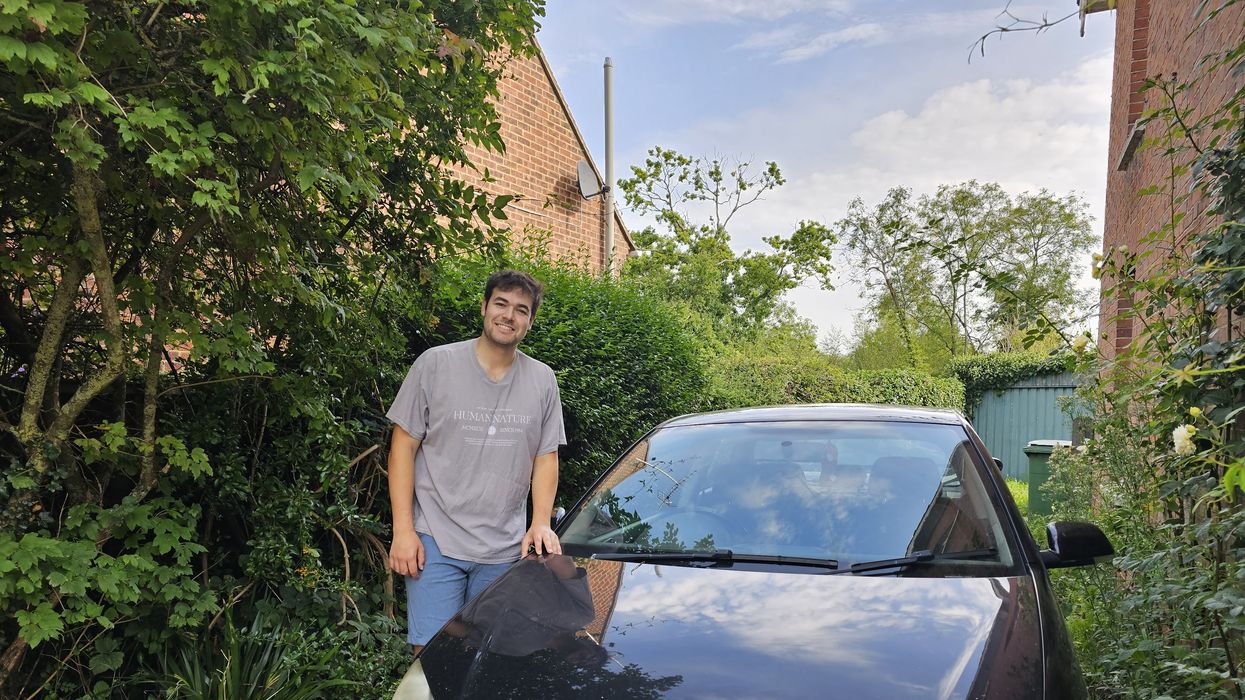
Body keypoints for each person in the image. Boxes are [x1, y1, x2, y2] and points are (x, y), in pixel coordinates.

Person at [386, 270, 566, 655]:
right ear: (484, 307)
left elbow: (545, 457)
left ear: (530, 321)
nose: (509, 315)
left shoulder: (543, 380)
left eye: (521, 310)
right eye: (501, 303)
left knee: (489, 659)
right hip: (435, 540)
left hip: (505, 550)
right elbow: (402, 447)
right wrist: (403, 529)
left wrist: (540, 522)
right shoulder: (435, 365)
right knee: (430, 657)